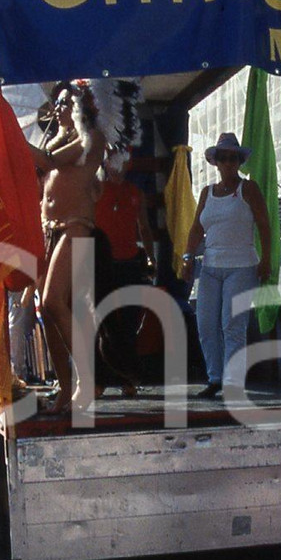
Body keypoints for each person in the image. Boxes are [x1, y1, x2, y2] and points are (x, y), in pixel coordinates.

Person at [28, 80, 108, 415]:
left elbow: (46, 162)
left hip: (75, 228)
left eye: (63, 102)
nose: (56, 107)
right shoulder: (59, 138)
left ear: (78, 106)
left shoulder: (90, 139)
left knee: (52, 301)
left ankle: (87, 381)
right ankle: (65, 387)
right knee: (47, 311)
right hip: (52, 232)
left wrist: (10, 136)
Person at [181, 132, 272, 399]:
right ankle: (215, 378)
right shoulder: (207, 192)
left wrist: (266, 258)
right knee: (206, 323)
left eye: (233, 158)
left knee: (232, 325)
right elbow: (197, 228)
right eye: (224, 158)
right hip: (210, 266)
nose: (228, 163)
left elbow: (265, 226)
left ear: (239, 161)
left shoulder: (249, 189)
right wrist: (188, 257)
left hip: (242, 265)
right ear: (216, 162)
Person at [94, 151, 157, 396]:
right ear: (105, 163)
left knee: (130, 322)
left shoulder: (135, 193)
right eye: (111, 160)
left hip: (130, 263)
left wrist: (151, 257)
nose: (116, 166)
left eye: (120, 160)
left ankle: (129, 380)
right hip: (103, 263)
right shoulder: (96, 189)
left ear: (127, 164)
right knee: (103, 322)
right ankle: (99, 381)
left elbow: (144, 228)